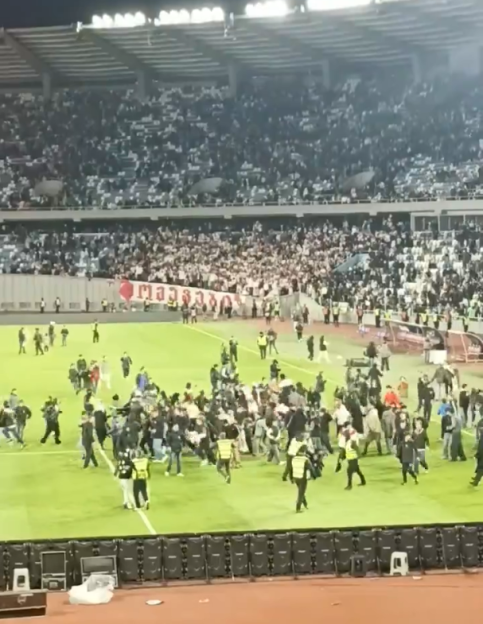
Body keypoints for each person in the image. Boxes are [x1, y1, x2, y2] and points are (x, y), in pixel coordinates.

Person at [290, 447, 314, 513]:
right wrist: (313, 476)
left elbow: (290, 468)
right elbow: (311, 468)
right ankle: (298, 508)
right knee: (301, 493)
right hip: (302, 478)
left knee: (301, 492)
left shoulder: (293, 458)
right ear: (304, 452)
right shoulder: (305, 459)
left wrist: (291, 478)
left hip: (295, 477)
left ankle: (305, 504)